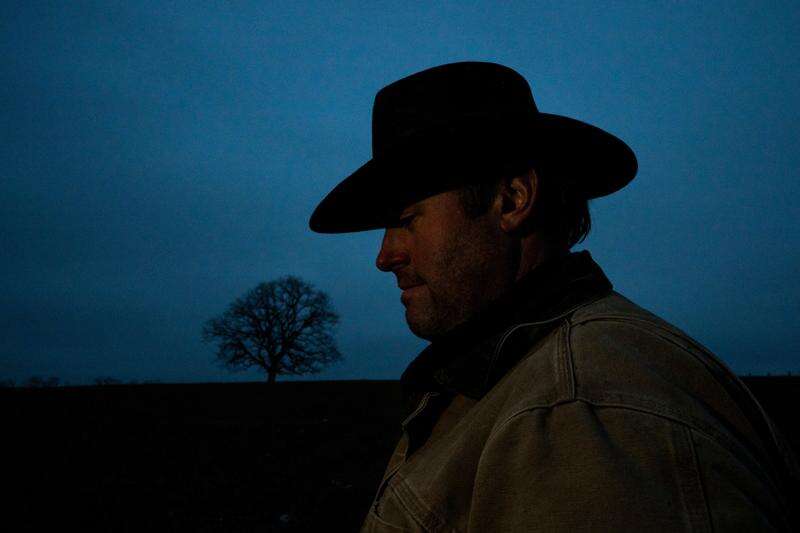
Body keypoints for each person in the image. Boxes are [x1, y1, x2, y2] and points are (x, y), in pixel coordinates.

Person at [309, 61, 799, 531]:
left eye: (406, 220)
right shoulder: (517, 383)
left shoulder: (582, 409)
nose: (385, 256)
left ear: (512, 200)